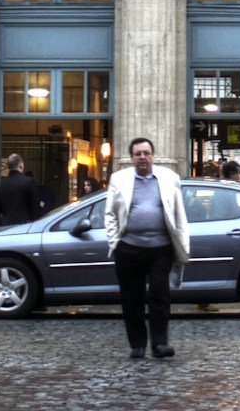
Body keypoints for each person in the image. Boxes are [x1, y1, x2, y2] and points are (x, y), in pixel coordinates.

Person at [105, 137, 190, 360]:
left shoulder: (169, 178)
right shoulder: (119, 179)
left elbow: (179, 213)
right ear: (132, 158)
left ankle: (160, 344)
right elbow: (110, 214)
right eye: (138, 154)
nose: (142, 157)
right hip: (129, 248)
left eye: (146, 153)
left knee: (160, 296)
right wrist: (115, 240)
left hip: (160, 248)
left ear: (153, 155)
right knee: (131, 298)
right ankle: (138, 345)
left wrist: (181, 242)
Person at [0, 154, 41, 226]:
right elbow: (35, 208)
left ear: (8, 167)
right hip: (25, 227)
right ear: (21, 165)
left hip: (5, 228)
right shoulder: (29, 182)